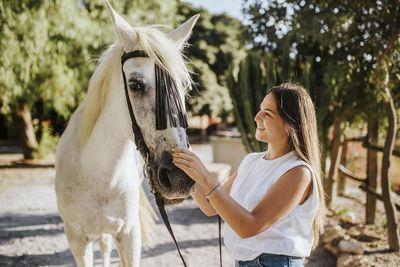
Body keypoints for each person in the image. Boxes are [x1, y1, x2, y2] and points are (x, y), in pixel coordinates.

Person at [172, 83, 325, 267]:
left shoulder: (298, 172)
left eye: (267, 113)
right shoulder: (251, 161)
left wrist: (205, 177)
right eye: (260, 110)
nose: (256, 117)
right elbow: (209, 206)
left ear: (290, 124)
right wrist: (185, 168)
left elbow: (249, 226)